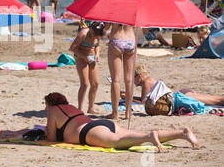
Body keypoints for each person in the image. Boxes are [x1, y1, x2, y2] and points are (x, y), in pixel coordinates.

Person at [43, 92, 199, 152]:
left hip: (88, 132)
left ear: (50, 103)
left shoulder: (53, 110)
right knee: (135, 135)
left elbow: (51, 138)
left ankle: (149, 137)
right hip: (103, 124)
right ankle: (181, 133)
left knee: (118, 142)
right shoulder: (71, 107)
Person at [132, 65, 224, 115]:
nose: (131, 80)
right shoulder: (149, 80)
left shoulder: (146, 82)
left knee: (217, 101)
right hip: (180, 94)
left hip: (180, 98)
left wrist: (129, 98)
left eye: (133, 77)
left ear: (139, 76)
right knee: (216, 99)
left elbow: (143, 102)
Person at [69, 22, 105, 113]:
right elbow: (73, 48)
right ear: (91, 29)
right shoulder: (83, 34)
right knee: (84, 84)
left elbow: (97, 46)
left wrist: (97, 54)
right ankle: (80, 109)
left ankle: (91, 108)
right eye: (94, 34)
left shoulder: (98, 34)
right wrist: (84, 57)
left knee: (95, 84)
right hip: (81, 56)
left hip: (92, 57)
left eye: (96, 36)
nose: (94, 37)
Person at [103, 22, 136, 120]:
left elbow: (106, 28)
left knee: (116, 80)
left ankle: (115, 113)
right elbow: (143, 29)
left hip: (116, 40)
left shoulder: (113, 8)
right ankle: (128, 113)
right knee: (129, 80)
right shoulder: (133, 8)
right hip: (131, 40)